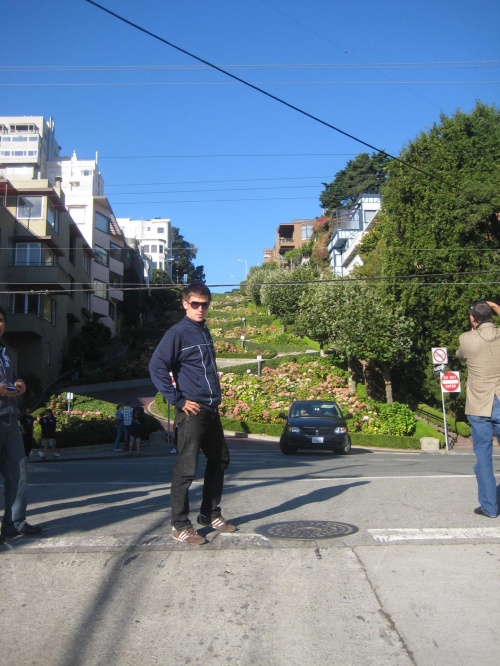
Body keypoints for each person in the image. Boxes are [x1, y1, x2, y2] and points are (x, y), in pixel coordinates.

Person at [149, 282, 235, 545]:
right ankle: (180, 526)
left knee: (219, 460)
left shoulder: (203, 331)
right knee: (186, 470)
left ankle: (209, 514)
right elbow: (156, 366)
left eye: (204, 304)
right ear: (185, 304)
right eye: (195, 304)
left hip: (210, 409)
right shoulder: (178, 333)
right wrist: (178, 400)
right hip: (192, 410)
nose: (200, 308)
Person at [0, 306, 42, 541]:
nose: (0, 324)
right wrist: (5, 391)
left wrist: (18, 383)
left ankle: (15, 523)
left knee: (18, 473)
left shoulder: (4, 351)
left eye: (2, 320)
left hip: (9, 417)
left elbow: (11, 376)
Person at [456, 299, 500, 518]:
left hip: (480, 406)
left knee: (484, 458)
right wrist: (496, 308)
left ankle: (490, 508)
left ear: (473, 320)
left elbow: (459, 356)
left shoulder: (466, 339)